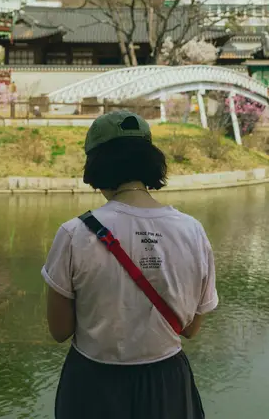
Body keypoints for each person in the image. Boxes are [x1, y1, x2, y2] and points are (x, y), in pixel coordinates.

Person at [42, 111, 216, 419]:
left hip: (93, 385)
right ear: (150, 160)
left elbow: (60, 330)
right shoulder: (192, 231)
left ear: (96, 164)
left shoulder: (74, 234)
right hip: (167, 383)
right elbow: (191, 328)